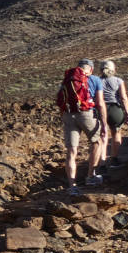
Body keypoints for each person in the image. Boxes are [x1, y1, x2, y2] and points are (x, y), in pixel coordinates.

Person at [55, 58, 104, 189]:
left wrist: (65, 117)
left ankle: (72, 185)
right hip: (86, 113)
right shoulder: (95, 79)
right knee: (96, 142)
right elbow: (99, 103)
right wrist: (103, 122)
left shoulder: (68, 79)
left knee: (71, 150)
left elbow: (60, 99)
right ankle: (90, 176)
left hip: (68, 114)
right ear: (91, 69)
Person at [97, 59, 128, 167]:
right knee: (116, 133)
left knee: (101, 135)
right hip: (114, 109)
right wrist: (127, 112)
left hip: (99, 109)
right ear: (113, 70)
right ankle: (114, 159)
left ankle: (101, 161)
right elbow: (123, 98)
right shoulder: (118, 81)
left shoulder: (96, 80)